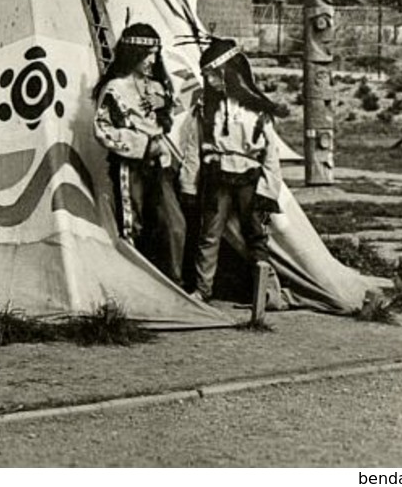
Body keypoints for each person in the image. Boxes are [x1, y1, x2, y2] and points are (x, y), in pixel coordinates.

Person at [189, 37, 286, 319]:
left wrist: (268, 191)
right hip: (217, 176)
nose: (206, 78)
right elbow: (194, 147)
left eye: (210, 72)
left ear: (225, 72)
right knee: (210, 234)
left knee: (255, 235)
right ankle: (202, 290)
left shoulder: (257, 110)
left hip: (249, 179)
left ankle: (267, 294)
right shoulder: (206, 108)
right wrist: (188, 184)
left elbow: (270, 155)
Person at [92, 23, 188, 287]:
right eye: (147, 54)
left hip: (161, 165)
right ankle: (135, 286)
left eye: (155, 54)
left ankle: (173, 283)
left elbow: (170, 119)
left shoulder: (158, 87)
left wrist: (165, 105)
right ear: (133, 53)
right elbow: (102, 129)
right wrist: (142, 144)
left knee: (173, 224)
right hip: (130, 167)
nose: (152, 60)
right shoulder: (115, 88)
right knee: (132, 225)